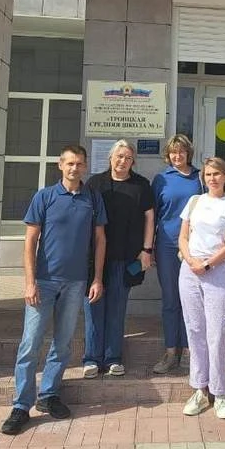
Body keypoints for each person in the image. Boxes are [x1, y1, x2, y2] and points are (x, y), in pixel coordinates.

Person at [1, 145, 106, 435]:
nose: (75, 168)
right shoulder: (44, 197)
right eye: (70, 163)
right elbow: (30, 241)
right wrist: (29, 281)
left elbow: (100, 240)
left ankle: (48, 394)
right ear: (60, 165)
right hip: (44, 282)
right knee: (30, 344)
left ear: (85, 167)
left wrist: (97, 278)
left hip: (76, 282)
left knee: (62, 343)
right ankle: (21, 406)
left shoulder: (92, 198)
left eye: (79, 164)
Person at [178, 157, 225, 420]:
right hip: (190, 271)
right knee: (195, 329)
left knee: (217, 332)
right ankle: (199, 389)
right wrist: (191, 261)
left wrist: (206, 265)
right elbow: (183, 237)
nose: (212, 178)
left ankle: (219, 394)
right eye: (208, 174)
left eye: (217, 174)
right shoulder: (194, 201)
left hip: (217, 271)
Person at [83, 139, 155, 378]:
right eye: (119, 156)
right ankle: (92, 358)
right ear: (110, 158)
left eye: (128, 158)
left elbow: (150, 218)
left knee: (117, 307)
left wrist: (147, 250)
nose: (123, 161)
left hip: (126, 258)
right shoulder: (95, 184)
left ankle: (113, 358)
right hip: (95, 258)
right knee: (93, 306)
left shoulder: (141, 185)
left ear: (133, 161)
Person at [151, 134, 202, 374]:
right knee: (171, 299)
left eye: (181, 151)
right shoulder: (161, 179)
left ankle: (191, 351)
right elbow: (152, 215)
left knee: (192, 299)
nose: (177, 156)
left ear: (188, 153)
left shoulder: (200, 177)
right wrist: (149, 247)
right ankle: (171, 352)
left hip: (195, 246)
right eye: (173, 152)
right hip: (167, 245)